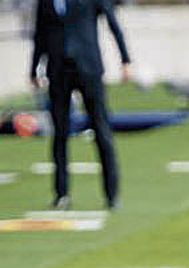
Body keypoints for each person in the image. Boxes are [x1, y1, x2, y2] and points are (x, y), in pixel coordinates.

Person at [29, 0, 132, 210]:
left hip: (88, 67)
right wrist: (34, 68)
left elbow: (112, 23)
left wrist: (125, 59)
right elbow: (40, 34)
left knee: (101, 130)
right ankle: (61, 194)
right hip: (58, 71)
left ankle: (112, 194)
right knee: (60, 134)